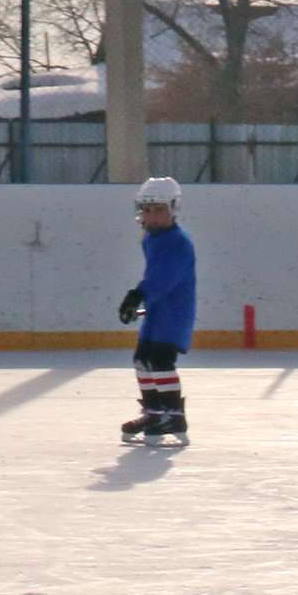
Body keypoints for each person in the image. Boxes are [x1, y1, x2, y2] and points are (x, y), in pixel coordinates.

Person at [117, 176, 196, 445]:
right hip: (156, 310)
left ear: (173, 209)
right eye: (147, 209)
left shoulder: (178, 242)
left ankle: (173, 414)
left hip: (174, 312)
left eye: (159, 209)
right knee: (142, 359)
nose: (152, 215)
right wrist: (141, 301)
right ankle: (154, 412)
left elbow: (164, 277)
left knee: (160, 360)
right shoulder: (151, 239)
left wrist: (138, 294)